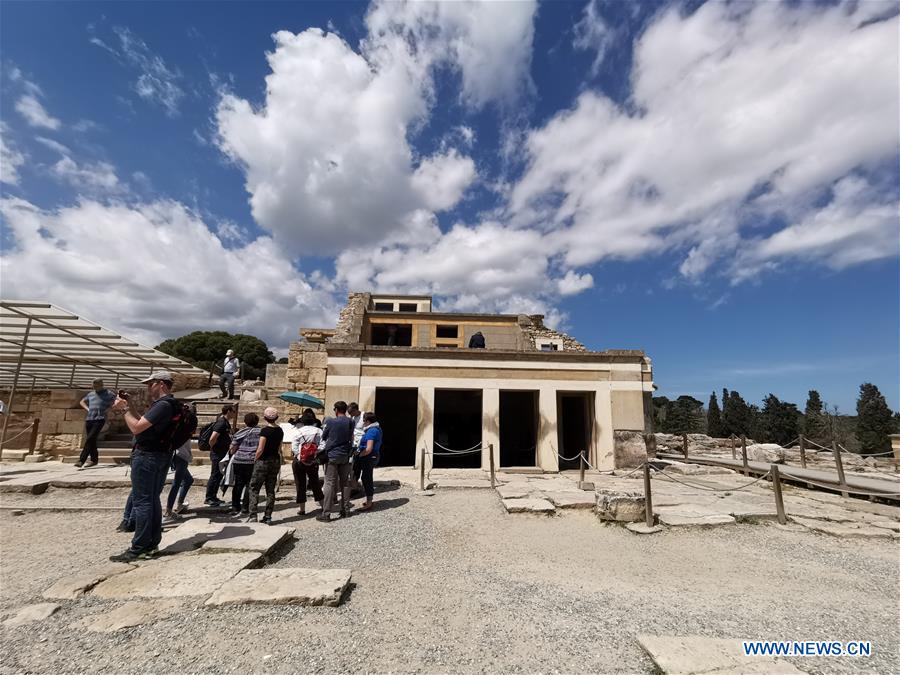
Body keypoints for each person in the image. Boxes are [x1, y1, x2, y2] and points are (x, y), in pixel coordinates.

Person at [109, 371, 179, 562]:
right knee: (152, 500)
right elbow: (144, 422)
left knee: (142, 502)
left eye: (151, 384)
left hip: (147, 455)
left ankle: (139, 547)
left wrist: (123, 410)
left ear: (162, 384)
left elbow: (136, 428)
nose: (148, 387)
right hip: (160, 455)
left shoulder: (163, 405)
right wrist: (130, 404)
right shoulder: (168, 405)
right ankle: (151, 543)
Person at [316, 400, 355, 522]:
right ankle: (346, 509)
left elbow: (324, 436)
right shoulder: (351, 421)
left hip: (332, 455)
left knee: (329, 483)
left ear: (336, 410)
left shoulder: (330, 421)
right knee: (345, 482)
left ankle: (326, 513)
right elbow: (351, 436)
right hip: (345, 454)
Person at [247, 407, 283, 524]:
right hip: (275, 460)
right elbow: (279, 448)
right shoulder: (280, 430)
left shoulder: (265, 431)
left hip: (263, 461)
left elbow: (260, 449)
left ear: (265, 417)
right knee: (270, 489)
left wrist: (254, 459)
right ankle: (268, 516)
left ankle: (253, 515)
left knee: (254, 488)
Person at [75, 378, 117, 468]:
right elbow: (82, 401)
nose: (95, 387)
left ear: (101, 385)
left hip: (100, 418)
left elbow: (117, 401)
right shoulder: (91, 394)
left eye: (97, 385)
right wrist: (88, 409)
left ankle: (81, 460)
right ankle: (94, 460)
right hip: (89, 418)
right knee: (92, 440)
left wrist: (109, 409)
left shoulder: (108, 393)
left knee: (90, 438)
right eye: (94, 385)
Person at [291, 410, 324, 515]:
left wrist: (299, 456)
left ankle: (302, 509)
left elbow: (294, 448)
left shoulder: (298, 431)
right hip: (313, 460)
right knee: (315, 483)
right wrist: (315, 453)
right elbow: (323, 444)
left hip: (300, 461)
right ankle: (323, 505)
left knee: (300, 484)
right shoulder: (319, 431)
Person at [228, 412, 260, 516]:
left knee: (238, 484)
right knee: (249, 485)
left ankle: (235, 506)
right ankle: (246, 507)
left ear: (245, 422)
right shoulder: (260, 432)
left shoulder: (239, 433)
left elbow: (232, 449)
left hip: (239, 460)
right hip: (252, 461)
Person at [205, 404, 236, 506]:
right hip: (218, 454)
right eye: (233, 411)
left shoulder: (225, 422)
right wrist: (214, 448)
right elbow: (212, 439)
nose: (234, 413)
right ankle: (209, 497)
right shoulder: (221, 423)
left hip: (222, 453)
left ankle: (213, 497)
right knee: (215, 475)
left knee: (218, 475)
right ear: (228, 411)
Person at [354, 412, 382, 511]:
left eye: (364, 421)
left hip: (368, 457)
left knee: (366, 478)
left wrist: (360, 454)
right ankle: (368, 500)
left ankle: (369, 502)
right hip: (370, 456)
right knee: (365, 477)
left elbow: (369, 448)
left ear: (368, 421)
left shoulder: (371, 431)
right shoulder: (374, 429)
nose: (363, 423)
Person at [164, 437, 194, 521]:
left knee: (188, 480)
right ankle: (168, 511)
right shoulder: (182, 427)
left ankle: (179, 504)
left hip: (181, 456)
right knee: (177, 482)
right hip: (181, 456)